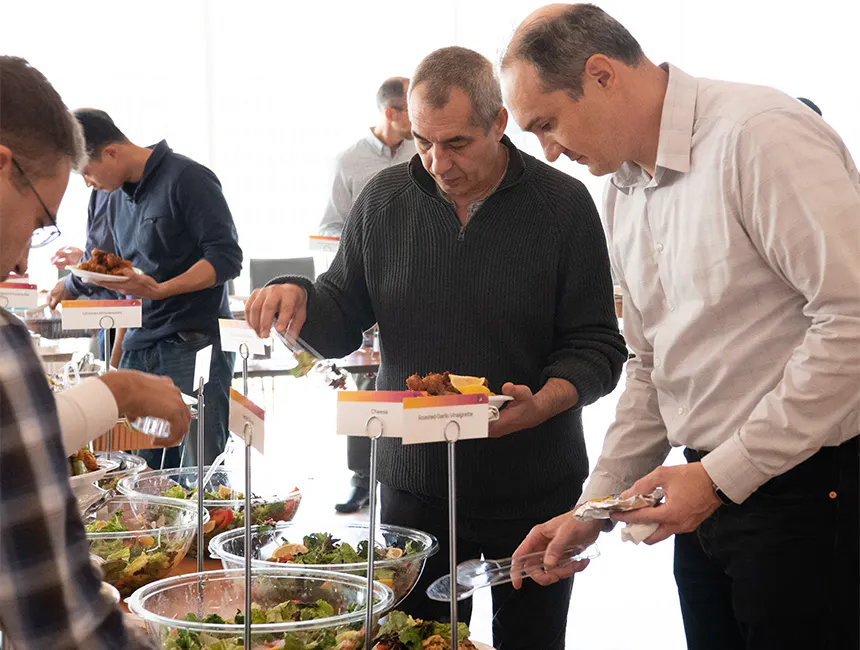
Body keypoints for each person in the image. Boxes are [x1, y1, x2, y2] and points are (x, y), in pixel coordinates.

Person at [500, 5, 860, 650]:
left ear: (602, 75)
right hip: (706, 497)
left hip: (809, 491)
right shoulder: (624, 189)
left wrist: (724, 475)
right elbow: (650, 363)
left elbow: (853, 319)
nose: (548, 151)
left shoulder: (760, 135)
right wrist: (595, 509)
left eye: (547, 124)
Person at [247, 46, 626, 649]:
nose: (436, 162)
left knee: (532, 641)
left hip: (534, 483)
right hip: (412, 483)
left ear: (499, 124)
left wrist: (545, 401)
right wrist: (295, 298)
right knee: (412, 640)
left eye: (456, 144)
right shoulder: (383, 200)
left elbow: (599, 345)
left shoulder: (563, 205)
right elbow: (340, 316)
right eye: (423, 141)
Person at [0, 54, 192, 649]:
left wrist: (118, 389)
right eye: (37, 221)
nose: (20, 262)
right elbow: (66, 632)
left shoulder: (188, 180)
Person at [73, 109, 243, 469]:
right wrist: (117, 360)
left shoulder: (188, 178)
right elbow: (128, 288)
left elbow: (226, 258)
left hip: (191, 343)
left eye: (86, 172)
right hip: (139, 346)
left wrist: (163, 289)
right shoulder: (114, 197)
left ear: (111, 153)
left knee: (200, 471)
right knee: (139, 472)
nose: (87, 183)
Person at [319, 77, 417, 514]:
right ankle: (363, 479)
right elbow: (328, 226)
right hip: (368, 287)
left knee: (412, 375)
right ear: (392, 113)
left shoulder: (426, 152)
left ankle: (410, 473)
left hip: (420, 284)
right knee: (364, 385)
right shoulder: (348, 160)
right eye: (413, 110)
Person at [47, 190, 118, 360]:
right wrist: (82, 261)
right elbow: (106, 256)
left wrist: (68, 285)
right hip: (112, 317)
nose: (86, 181)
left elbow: (102, 256)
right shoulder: (101, 189)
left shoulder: (110, 189)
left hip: (120, 317)